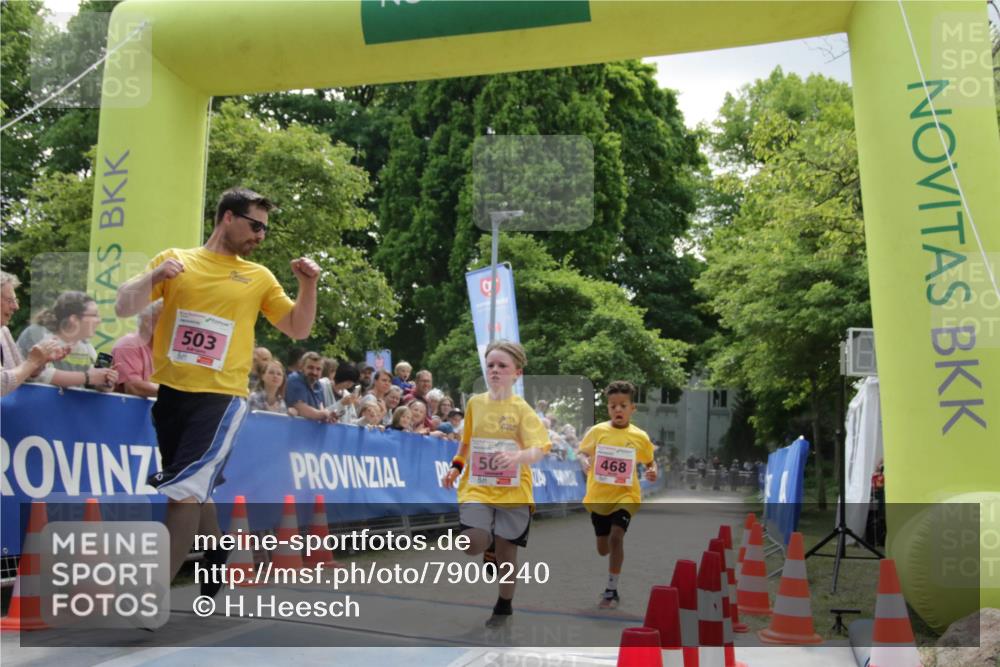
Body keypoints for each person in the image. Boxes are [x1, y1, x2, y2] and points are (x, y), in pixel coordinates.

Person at [114, 186, 320, 599]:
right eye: (255, 225)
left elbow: (298, 328)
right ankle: (217, 550)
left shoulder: (258, 276)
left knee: (184, 493)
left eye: (265, 229)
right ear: (228, 217)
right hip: (171, 394)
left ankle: (149, 599)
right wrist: (154, 276)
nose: (261, 235)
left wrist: (308, 285)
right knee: (192, 487)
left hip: (222, 398)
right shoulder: (177, 261)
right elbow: (123, 306)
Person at [441, 340, 550, 628]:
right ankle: (486, 539)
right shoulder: (475, 404)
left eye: (502, 365)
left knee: (506, 554)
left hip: (514, 492)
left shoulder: (523, 410)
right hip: (477, 487)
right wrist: (455, 468)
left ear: (517, 373)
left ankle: (504, 605)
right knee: (470, 543)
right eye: (490, 365)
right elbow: (465, 445)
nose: (495, 370)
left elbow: (540, 449)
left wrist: (518, 455)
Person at [577, 380, 658, 610]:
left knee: (616, 537)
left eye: (623, 405)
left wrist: (652, 471)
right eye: (613, 406)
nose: (618, 410)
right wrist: (584, 461)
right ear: (608, 408)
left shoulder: (639, 436)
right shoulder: (597, 431)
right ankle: (613, 557)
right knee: (603, 548)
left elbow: (651, 461)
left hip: (626, 495)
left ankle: (612, 589)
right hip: (599, 497)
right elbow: (582, 453)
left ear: (632, 408)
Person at [32, 291, 118, 392]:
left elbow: (99, 385)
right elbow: (43, 376)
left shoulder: (86, 345)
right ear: (74, 319)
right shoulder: (40, 335)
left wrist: (106, 381)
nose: (99, 320)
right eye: (94, 315)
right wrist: (88, 377)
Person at [1, 271, 68, 397]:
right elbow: (2, 384)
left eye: (15, 300)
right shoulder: (34, 331)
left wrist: (40, 361)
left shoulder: (3, 331)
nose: (16, 307)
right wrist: (32, 361)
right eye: (10, 300)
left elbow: (21, 375)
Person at [112, 299, 163, 397]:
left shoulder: (164, 349)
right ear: (148, 322)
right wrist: (174, 393)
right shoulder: (129, 345)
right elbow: (133, 387)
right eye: (167, 319)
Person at [286, 351, 333, 422]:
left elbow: (321, 409)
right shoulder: (295, 379)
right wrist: (324, 414)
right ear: (302, 367)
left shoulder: (318, 385)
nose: (314, 372)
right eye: (310, 368)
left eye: (318, 369)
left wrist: (330, 417)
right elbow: (301, 409)